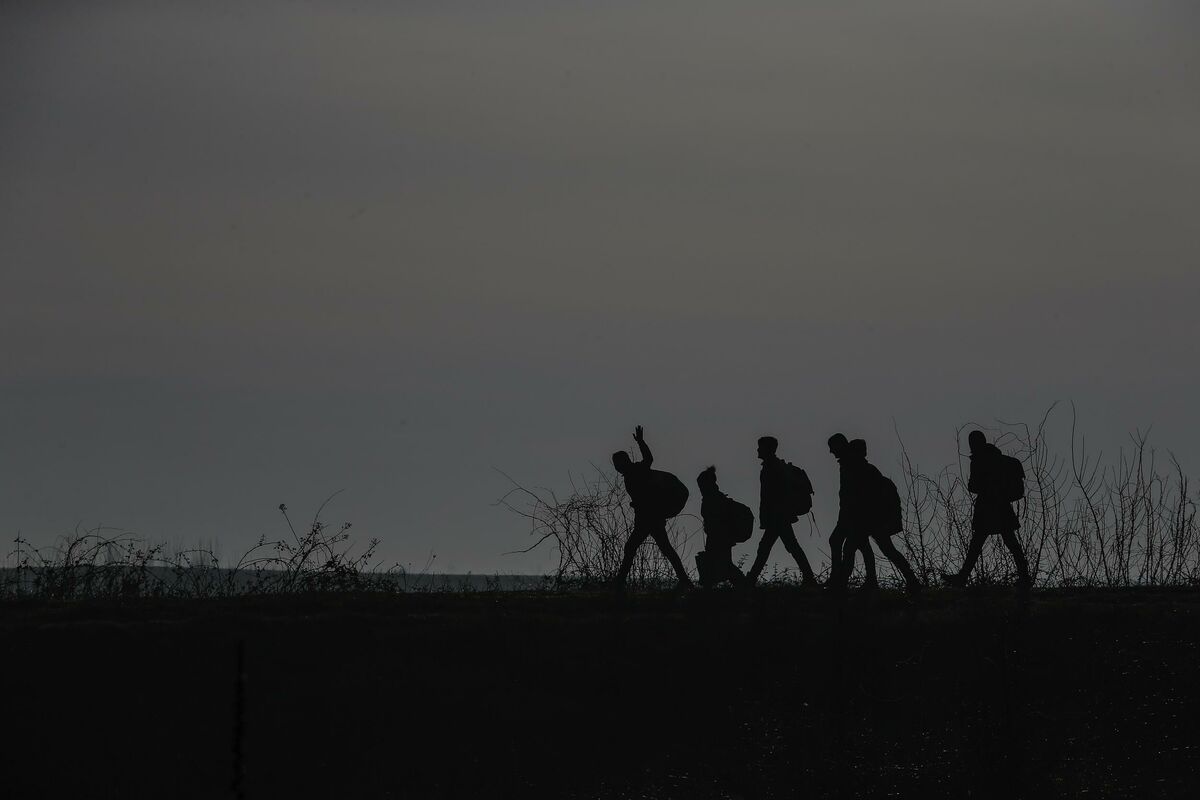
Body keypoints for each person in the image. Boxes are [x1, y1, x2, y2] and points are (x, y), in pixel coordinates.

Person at [826, 434, 921, 595]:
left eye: (833, 447)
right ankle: (860, 581)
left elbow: (859, 498)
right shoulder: (851, 466)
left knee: (854, 548)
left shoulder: (858, 468)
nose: (831, 451)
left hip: (866, 518)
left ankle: (841, 584)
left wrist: (854, 519)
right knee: (870, 547)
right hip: (860, 518)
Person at [941, 430, 1031, 588]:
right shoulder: (999, 459)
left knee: (978, 545)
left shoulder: (979, 460)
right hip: (1001, 506)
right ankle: (1024, 576)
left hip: (987, 507)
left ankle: (962, 577)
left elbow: (973, 486)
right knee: (1009, 542)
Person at [612, 425, 694, 589]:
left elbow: (649, 459)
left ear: (624, 462)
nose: (617, 466)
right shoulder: (630, 475)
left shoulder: (637, 470)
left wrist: (641, 442)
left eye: (618, 462)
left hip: (650, 518)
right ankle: (685, 581)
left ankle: (619, 582)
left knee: (633, 547)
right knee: (664, 549)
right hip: (649, 518)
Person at [746, 436, 817, 586]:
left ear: (767, 449)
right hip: (779, 515)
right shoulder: (774, 466)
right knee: (785, 547)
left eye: (760, 447)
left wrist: (770, 515)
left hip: (778, 516)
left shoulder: (772, 468)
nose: (757, 450)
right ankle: (809, 578)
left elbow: (773, 495)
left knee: (768, 548)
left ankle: (751, 579)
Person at [826, 435, 877, 590]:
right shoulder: (847, 463)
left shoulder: (852, 464)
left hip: (855, 515)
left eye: (832, 447)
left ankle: (840, 580)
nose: (831, 451)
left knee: (851, 546)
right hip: (848, 514)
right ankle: (841, 578)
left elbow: (856, 493)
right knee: (850, 544)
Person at [695, 466, 750, 587]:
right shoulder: (715, 497)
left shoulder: (713, 499)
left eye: (701, 485)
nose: (700, 488)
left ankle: (744, 587)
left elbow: (716, 521)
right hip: (720, 538)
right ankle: (744, 587)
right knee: (721, 566)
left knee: (722, 566)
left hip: (718, 538)